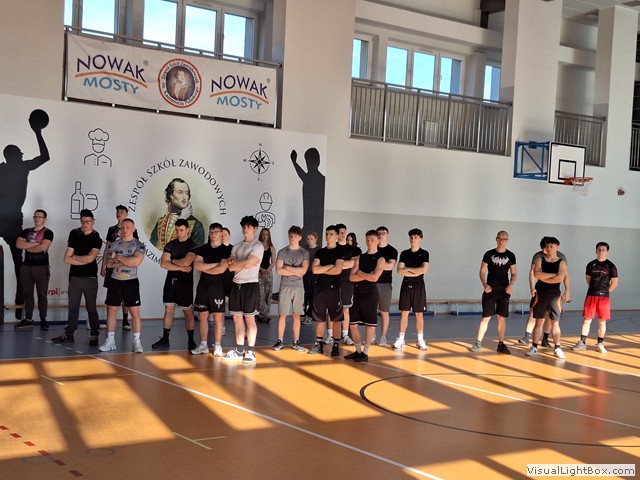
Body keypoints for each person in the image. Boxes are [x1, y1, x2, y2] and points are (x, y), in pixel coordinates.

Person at [0, 113, 50, 321]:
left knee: (19, 263)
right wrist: (37, 133)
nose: (22, 156)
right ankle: (19, 308)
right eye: (20, 154)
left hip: (8, 217)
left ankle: (20, 307)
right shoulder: (21, 167)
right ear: (14, 156)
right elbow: (45, 156)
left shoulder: (3, 168)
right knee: (18, 263)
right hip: (12, 218)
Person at [52, 209, 102, 345]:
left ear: (93, 222)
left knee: (91, 307)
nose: (85, 224)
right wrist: (83, 259)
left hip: (90, 277)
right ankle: (69, 334)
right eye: (83, 221)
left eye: (88, 222)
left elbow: (91, 259)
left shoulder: (96, 238)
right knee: (73, 307)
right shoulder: (74, 234)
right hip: (75, 277)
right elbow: (66, 259)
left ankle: (94, 334)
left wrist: (75, 257)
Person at [99, 218, 145, 353]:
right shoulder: (114, 244)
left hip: (131, 281)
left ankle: (137, 342)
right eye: (123, 228)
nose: (125, 230)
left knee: (134, 312)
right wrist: (127, 260)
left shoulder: (138, 245)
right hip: (115, 281)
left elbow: (136, 262)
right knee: (111, 311)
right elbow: (109, 264)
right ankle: (110, 341)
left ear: (133, 229)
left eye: (128, 227)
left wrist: (118, 257)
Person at [152, 218, 197, 352]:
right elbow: (163, 263)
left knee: (187, 312)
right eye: (177, 230)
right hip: (171, 281)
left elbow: (186, 262)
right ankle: (165, 339)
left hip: (185, 283)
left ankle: (191, 340)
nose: (179, 233)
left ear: (187, 230)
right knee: (168, 310)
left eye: (181, 230)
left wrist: (172, 260)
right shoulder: (170, 244)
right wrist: (180, 268)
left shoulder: (193, 245)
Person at [469, 231, 517, 354]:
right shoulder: (489, 254)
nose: (501, 241)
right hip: (490, 289)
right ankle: (478, 342)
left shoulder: (511, 255)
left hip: (504, 290)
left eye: (504, 239)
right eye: (499, 238)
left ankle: (501, 344)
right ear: (496, 239)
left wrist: (511, 284)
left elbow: (514, 273)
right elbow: (482, 271)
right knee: (486, 317)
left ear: (507, 240)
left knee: (501, 318)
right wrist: (484, 284)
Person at [224, 215, 263, 364]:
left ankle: (251, 351)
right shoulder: (236, 246)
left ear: (254, 228)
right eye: (243, 226)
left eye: (248, 227)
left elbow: (248, 263)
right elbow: (230, 267)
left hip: (250, 285)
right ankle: (240, 350)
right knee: (237, 318)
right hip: (236, 284)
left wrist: (238, 263)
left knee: (249, 318)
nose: (245, 229)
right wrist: (242, 263)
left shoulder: (257, 246)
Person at [519, 236, 570, 346]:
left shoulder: (561, 258)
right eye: (545, 247)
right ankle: (527, 336)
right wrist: (532, 287)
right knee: (534, 312)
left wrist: (567, 290)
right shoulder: (538, 257)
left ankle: (545, 338)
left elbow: (564, 276)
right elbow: (533, 273)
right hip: (540, 290)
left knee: (550, 316)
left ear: (555, 247)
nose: (546, 250)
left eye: (549, 247)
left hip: (553, 291)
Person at [192, 223, 232, 357]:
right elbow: (197, 265)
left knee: (218, 316)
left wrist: (206, 267)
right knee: (202, 315)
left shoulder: (227, 250)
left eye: (216, 232)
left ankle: (218, 346)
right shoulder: (203, 248)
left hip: (218, 286)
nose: (213, 234)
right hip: (203, 285)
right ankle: (203, 345)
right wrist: (215, 264)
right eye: (211, 232)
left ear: (221, 233)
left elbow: (221, 269)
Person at [345, 230, 385, 362]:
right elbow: (351, 277)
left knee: (369, 324)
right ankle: (358, 351)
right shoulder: (360, 257)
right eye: (367, 239)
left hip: (370, 294)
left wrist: (360, 273)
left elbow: (374, 278)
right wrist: (367, 275)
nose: (369, 242)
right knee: (352, 324)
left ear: (378, 241)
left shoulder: (380, 259)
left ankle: (365, 352)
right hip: (357, 292)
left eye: (372, 240)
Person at [571, 242, 618, 354]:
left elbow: (614, 283)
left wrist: (605, 292)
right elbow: (588, 280)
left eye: (603, 250)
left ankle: (600, 344)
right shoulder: (591, 264)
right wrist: (595, 290)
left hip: (604, 298)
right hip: (591, 296)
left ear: (607, 252)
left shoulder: (611, 266)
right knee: (587, 320)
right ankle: (582, 343)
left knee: (602, 322)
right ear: (596, 251)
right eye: (599, 249)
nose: (601, 251)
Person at [308, 225, 344, 356]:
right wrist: (329, 266)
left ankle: (336, 345)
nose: (328, 236)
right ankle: (319, 344)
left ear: (337, 236)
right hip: (320, 288)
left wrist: (322, 269)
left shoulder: (339, 252)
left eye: (331, 234)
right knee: (320, 319)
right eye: (327, 234)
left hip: (334, 289)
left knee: (336, 319)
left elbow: (337, 270)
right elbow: (315, 269)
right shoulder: (320, 252)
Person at [14, 209, 53, 330]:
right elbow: (18, 245)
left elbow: (44, 247)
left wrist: (28, 246)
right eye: (35, 216)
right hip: (26, 267)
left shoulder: (48, 232)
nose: (37, 219)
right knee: (27, 294)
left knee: (42, 295)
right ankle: (28, 319)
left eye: (40, 217)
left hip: (41, 267)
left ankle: (43, 319)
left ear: (45, 219)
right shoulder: (26, 231)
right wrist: (37, 244)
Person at [101, 205, 139, 331]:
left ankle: (125, 320)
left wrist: (128, 262)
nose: (119, 213)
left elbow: (135, 248)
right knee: (112, 293)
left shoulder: (132, 229)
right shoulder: (111, 229)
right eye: (117, 211)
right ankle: (109, 320)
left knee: (126, 294)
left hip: (126, 265)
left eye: (122, 211)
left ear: (127, 213)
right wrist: (104, 265)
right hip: (112, 265)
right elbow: (107, 248)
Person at [273, 225, 310, 352]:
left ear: (300, 237)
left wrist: (287, 267)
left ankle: (296, 341)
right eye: (290, 235)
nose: (292, 237)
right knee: (282, 314)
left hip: (298, 287)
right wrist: (296, 271)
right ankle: (279, 341)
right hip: (285, 286)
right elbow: (279, 270)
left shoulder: (304, 253)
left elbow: (303, 271)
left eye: (294, 235)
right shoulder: (282, 252)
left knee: (297, 315)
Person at [394, 228, 430, 350]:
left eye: (415, 237)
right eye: (411, 237)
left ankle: (420, 340)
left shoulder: (424, 253)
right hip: (406, 285)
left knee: (419, 314)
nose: (413, 239)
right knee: (404, 313)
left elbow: (423, 270)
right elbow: (399, 271)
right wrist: (415, 271)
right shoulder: (404, 253)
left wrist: (408, 269)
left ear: (420, 238)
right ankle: (401, 339)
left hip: (419, 286)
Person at [150, 178, 205, 250]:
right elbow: (152, 247)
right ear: (171, 196)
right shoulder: (160, 223)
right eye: (180, 192)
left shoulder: (196, 225)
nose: (184, 197)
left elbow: (197, 252)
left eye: (187, 193)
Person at [336, 223, 358, 345]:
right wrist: (344, 264)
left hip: (347, 282)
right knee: (332, 310)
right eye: (340, 232)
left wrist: (339, 264)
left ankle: (345, 335)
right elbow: (331, 264)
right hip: (333, 282)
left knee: (346, 309)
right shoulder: (333, 248)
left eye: (344, 231)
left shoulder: (352, 249)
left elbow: (352, 264)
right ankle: (330, 335)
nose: (343, 234)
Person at [375, 226, 398, 346]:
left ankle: (383, 337)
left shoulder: (392, 251)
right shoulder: (373, 248)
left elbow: (390, 266)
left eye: (383, 233)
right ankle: (372, 336)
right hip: (372, 282)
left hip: (385, 283)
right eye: (379, 233)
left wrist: (376, 265)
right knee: (371, 311)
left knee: (384, 312)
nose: (381, 235)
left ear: (387, 235)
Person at [256, 227, 276, 323]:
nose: (265, 236)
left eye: (266, 234)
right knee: (260, 295)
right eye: (263, 234)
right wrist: (261, 270)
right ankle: (261, 315)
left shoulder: (271, 248)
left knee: (268, 295)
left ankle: (266, 314)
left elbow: (273, 261)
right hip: (258, 272)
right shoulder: (256, 246)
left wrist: (267, 270)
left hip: (268, 273)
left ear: (269, 236)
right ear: (261, 235)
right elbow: (254, 261)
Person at [302, 231, 319, 324]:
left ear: (316, 239)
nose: (309, 241)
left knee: (313, 295)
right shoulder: (304, 249)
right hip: (304, 274)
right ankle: (303, 314)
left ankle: (310, 315)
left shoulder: (319, 250)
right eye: (308, 239)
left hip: (315, 275)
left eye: (311, 239)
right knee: (304, 295)